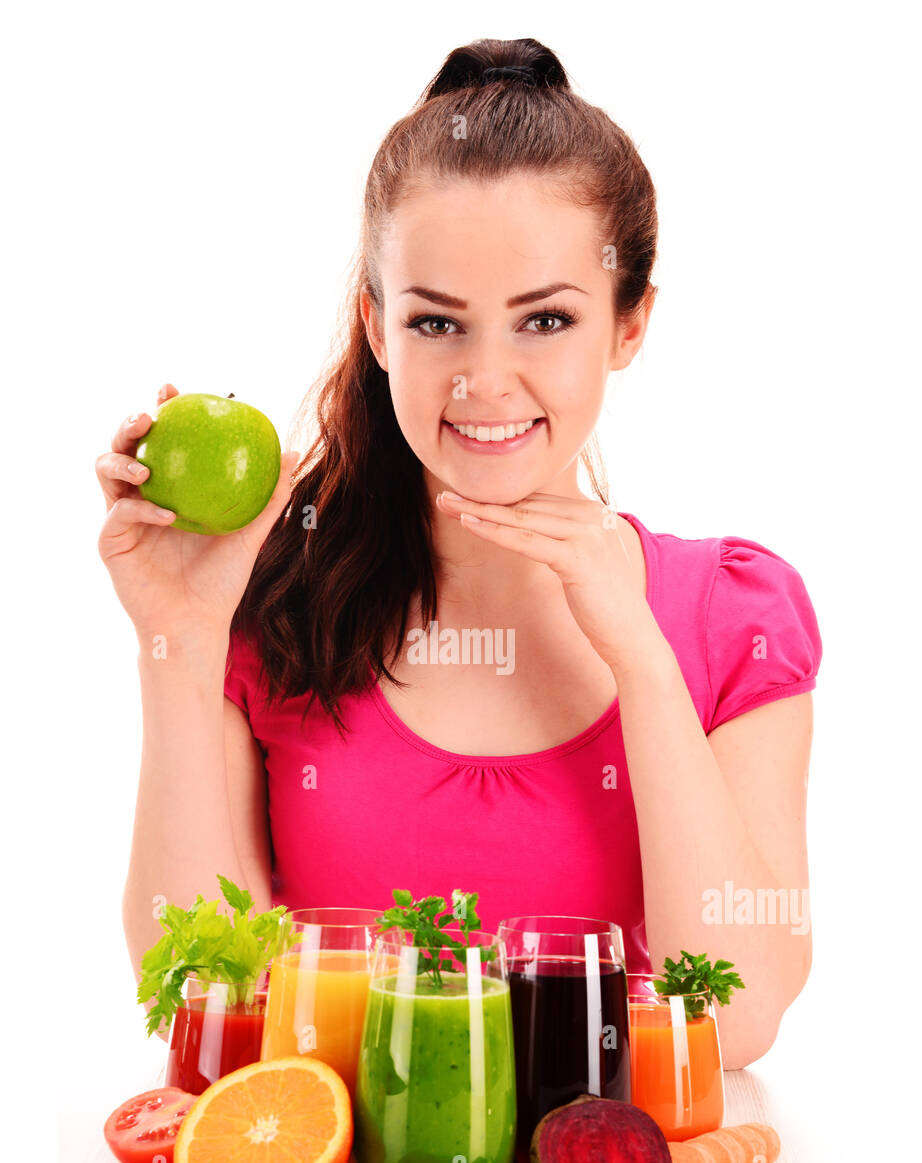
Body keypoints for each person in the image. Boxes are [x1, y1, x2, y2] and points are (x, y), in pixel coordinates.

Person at [98, 38, 821, 1070]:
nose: (486, 380)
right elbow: (204, 1005)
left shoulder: (732, 617)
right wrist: (177, 638)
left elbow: (733, 1026)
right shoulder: (274, 612)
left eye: (546, 321)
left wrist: (642, 662)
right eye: (437, 321)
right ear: (378, 329)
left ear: (629, 324)